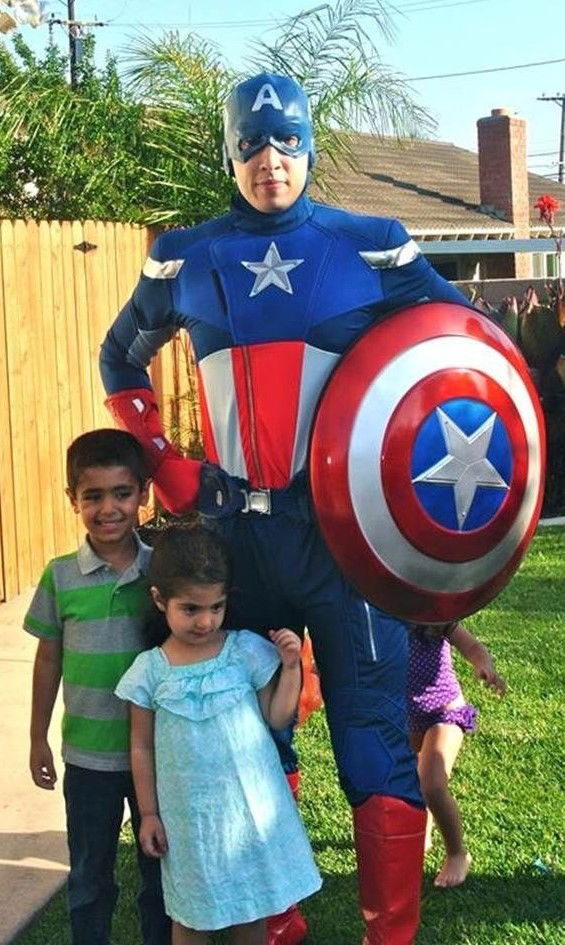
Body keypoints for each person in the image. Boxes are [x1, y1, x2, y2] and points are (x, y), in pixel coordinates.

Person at [99, 72, 472, 945]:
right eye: (252, 144)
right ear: (228, 150)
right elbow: (122, 356)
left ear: (307, 141)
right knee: (245, 735)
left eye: (288, 141)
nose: (271, 161)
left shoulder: (369, 242)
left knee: (373, 738)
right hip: (234, 541)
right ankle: (274, 916)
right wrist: (166, 463)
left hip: (344, 536)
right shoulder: (187, 254)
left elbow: (463, 348)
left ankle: (391, 934)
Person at [115, 523, 322, 945]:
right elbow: (140, 747)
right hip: (190, 823)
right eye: (191, 609)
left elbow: (278, 718)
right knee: (192, 917)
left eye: (217, 607)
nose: (206, 620)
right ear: (160, 600)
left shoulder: (245, 651)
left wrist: (289, 667)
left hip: (246, 815)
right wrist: (149, 813)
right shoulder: (150, 672)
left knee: (249, 911)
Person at [24, 429, 170, 945]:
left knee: (161, 876)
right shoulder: (59, 577)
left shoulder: (163, 571)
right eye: (93, 496)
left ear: (144, 494)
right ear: (73, 501)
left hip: (158, 755)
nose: (108, 508)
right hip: (88, 759)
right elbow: (47, 660)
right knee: (89, 875)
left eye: (121, 493)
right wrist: (38, 736)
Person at [407, 622, 506, 887]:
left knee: (432, 784)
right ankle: (422, 827)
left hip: (444, 711)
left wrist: (483, 664)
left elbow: (471, 645)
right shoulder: (382, 611)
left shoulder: (437, 618)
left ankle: (457, 854)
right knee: (408, 782)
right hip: (405, 716)